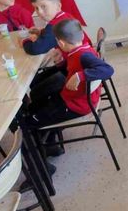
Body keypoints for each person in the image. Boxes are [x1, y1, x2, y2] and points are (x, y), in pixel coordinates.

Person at [25, 19, 113, 170]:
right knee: (35, 105)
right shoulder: (80, 49)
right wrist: (62, 65)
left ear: (61, 43)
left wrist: (80, 76)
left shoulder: (84, 55)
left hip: (76, 105)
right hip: (74, 98)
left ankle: (44, 169)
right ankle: (51, 145)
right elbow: (72, 66)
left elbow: (108, 70)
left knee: (26, 125)